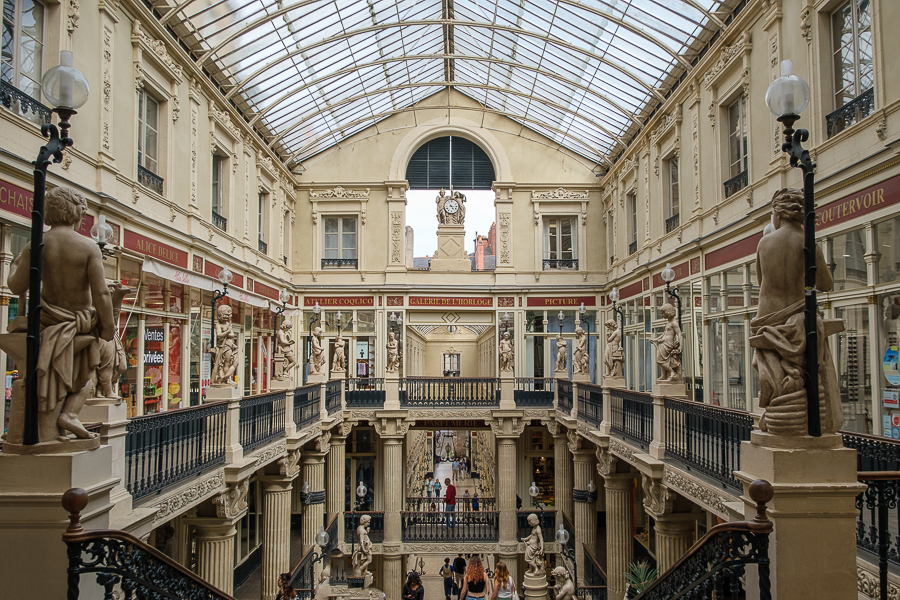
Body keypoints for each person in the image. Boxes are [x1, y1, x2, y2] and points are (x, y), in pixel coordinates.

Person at [650, 303, 683, 383]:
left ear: (668, 312)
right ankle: (664, 375)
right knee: (662, 359)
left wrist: (681, 346)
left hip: (668, 344)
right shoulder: (668, 322)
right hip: (663, 343)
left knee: (660, 360)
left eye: (663, 313)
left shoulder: (674, 323)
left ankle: (672, 372)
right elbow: (664, 334)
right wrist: (655, 340)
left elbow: (679, 334)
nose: (662, 315)